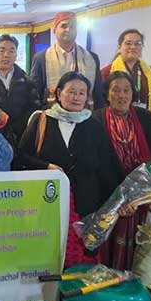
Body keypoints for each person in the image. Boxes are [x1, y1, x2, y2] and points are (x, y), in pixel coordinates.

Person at [92, 71, 151, 301]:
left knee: (143, 262)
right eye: (116, 89)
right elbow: (91, 164)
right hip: (110, 207)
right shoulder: (94, 121)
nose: (121, 95)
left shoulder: (147, 121)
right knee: (108, 262)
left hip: (145, 208)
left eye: (126, 89)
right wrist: (116, 198)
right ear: (107, 93)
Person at [19, 72, 118, 267]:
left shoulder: (94, 126)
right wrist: (46, 167)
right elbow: (20, 156)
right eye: (71, 91)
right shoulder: (41, 121)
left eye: (82, 93)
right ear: (58, 93)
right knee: (47, 260)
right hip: (46, 207)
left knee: (80, 266)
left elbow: (107, 168)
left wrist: (114, 204)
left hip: (84, 210)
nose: (76, 97)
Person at [30, 12, 104, 110]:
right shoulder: (41, 58)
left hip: (84, 116)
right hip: (53, 116)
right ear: (55, 30)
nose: (68, 30)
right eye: (64, 26)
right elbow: (34, 95)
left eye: (72, 26)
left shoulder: (91, 58)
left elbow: (97, 94)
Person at [101, 29, 151, 121]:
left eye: (138, 43)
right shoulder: (106, 72)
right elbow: (101, 103)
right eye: (128, 43)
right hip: (116, 124)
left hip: (147, 124)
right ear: (119, 47)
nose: (133, 47)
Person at [0, 34, 40, 142]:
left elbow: (34, 107)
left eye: (11, 51)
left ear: (16, 56)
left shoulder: (27, 81)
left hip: (22, 135)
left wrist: (19, 127)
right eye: (2, 50)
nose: (6, 55)